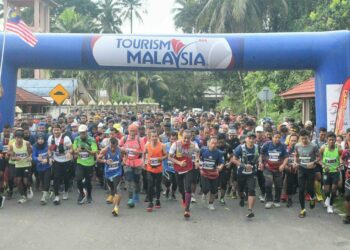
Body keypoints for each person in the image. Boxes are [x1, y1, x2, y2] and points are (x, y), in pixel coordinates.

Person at [169, 130, 199, 218]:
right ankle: (184, 197)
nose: (186, 140)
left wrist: (197, 161)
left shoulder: (193, 144)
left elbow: (198, 152)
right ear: (181, 136)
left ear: (191, 138)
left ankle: (187, 209)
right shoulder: (176, 144)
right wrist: (179, 162)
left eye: (188, 138)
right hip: (178, 169)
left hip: (189, 168)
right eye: (185, 138)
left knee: (188, 188)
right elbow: (169, 157)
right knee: (181, 189)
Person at [232, 132, 259, 218]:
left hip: (252, 172)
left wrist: (261, 163)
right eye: (249, 138)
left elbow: (260, 156)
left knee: (251, 190)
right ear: (246, 139)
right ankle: (242, 197)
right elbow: (234, 160)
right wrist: (244, 165)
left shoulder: (257, 147)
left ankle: (250, 210)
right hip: (241, 172)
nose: (251, 140)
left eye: (253, 138)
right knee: (240, 189)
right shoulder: (240, 148)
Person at [295, 129, 320, 218]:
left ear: (309, 137)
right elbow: (296, 155)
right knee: (301, 190)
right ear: (300, 138)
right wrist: (295, 162)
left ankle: (312, 198)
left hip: (310, 169)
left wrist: (313, 162)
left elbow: (318, 157)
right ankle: (302, 210)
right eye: (302, 139)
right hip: (301, 169)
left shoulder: (314, 146)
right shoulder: (297, 145)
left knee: (310, 189)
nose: (304, 140)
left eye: (305, 138)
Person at [119, 124, 145, 208]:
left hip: (137, 162)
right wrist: (123, 150)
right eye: (131, 131)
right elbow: (119, 147)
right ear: (128, 131)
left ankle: (136, 193)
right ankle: (130, 198)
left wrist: (138, 153)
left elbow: (144, 151)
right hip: (127, 162)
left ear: (136, 131)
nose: (132, 133)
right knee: (128, 179)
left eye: (134, 131)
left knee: (137, 180)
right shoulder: (124, 138)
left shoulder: (139, 139)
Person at [260, 132, 288, 208]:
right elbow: (261, 154)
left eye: (279, 137)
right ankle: (269, 200)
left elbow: (286, 157)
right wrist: (261, 163)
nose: (277, 139)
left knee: (278, 185)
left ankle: (276, 200)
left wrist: (283, 165)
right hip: (268, 167)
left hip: (278, 168)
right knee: (268, 183)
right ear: (272, 138)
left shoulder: (283, 146)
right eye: (276, 137)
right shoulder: (267, 145)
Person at [48, 124, 72, 205]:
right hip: (56, 160)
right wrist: (50, 157)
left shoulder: (66, 138)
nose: (56, 131)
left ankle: (65, 191)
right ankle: (56, 196)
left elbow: (71, 148)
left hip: (65, 160)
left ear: (60, 130)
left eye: (58, 130)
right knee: (56, 177)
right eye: (54, 130)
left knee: (66, 177)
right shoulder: (50, 138)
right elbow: (49, 149)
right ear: (52, 131)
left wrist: (69, 152)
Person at [98, 137, 123, 216]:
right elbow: (98, 159)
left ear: (117, 145)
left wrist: (125, 161)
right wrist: (105, 161)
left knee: (117, 190)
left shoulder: (121, 150)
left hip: (117, 173)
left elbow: (126, 155)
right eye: (111, 146)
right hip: (108, 173)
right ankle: (111, 195)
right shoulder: (105, 150)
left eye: (114, 147)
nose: (112, 148)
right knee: (112, 188)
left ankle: (115, 208)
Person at [73, 124, 98, 204]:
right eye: (80, 133)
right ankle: (81, 193)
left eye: (83, 133)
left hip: (89, 163)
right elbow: (73, 150)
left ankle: (89, 195)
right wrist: (77, 151)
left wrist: (88, 151)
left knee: (88, 181)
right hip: (80, 162)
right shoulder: (77, 139)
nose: (82, 134)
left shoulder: (91, 139)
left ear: (86, 132)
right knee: (78, 178)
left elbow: (95, 151)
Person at [319, 132, 342, 214]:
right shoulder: (323, 148)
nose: (331, 141)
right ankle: (328, 198)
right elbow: (319, 159)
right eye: (330, 140)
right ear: (327, 140)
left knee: (334, 190)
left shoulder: (338, 148)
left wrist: (340, 165)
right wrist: (324, 166)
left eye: (333, 140)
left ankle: (330, 206)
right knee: (326, 191)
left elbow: (341, 158)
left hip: (335, 172)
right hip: (326, 172)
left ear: (335, 140)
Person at [144, 130, 167, 212]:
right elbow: (144, 153)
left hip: (159, 169)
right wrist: (144, 162)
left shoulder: (162, 145)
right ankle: (150, 202)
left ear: (158, 137)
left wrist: (161, 158)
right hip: (150, 169)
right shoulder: (147, 145)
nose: (154, 138)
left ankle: (157, 199)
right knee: (150, 185)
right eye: (152, 136)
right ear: (150, 137)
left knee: (157, 185)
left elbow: (166, 155)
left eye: (155, 136)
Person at [8, 128, 32, 204]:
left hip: (26, 164)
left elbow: (31, 153)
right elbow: (11, 158)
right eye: (17, 137)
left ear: (22, 138)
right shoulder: (12, 146)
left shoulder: (27, 143)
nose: (19, 139)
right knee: (18, 181)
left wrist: (30, 157)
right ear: (15, 138)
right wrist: (15, 158)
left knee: (25, 181)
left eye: (20, 138)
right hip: (18, 165)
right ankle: (23, 196)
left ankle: (28, 188)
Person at [199, 136, 224, 210]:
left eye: (215, 143)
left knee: (214, 190)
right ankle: (204, 193)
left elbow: (222, 162)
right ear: (208, 143)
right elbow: (198, 158)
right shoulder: (203, 150)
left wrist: (220, 167)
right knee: (206, 188)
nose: (214, 145)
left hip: (214, 174)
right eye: (212, 143)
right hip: (204, 173)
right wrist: (199, 166)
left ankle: (211, 204)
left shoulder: (219, 153)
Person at [32, 133, 51, 205]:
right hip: (39, 167)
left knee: (47, 180)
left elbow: (50, 153)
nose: (40, 140)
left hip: (47, 166)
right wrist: (37, 158)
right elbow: (33, 156)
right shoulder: (34, 146)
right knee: (42, 181)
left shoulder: (47, 145)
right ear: (36, 140)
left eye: (42, 139)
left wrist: (47, 159)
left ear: (44, 140)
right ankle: (47, 192)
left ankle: (44, 198)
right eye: (39, 139)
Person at [285, 134, 299, 207]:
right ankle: (289, 198)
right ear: (289, 141)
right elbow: (282, 159)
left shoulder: (300, 148)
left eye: (295, 141)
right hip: (288, 167)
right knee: (289, 180)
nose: (293, 142)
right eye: (292, 141)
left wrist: (298, 165)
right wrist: (287, 166)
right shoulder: (285, 149)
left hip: (299, 168)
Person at [163, 132, 177, 200]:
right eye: (172, 139)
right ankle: (168, 189)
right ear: (169, 139)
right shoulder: (165, 145)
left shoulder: (179, 146)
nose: (173, 141)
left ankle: (173, 193)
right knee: (168, 181)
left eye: (174, 139)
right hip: (167, 168)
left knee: (175, 183)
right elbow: (161, 155)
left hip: (176, 168)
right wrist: (166, 155)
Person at [341, 142, 350, 224]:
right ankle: (348, 215)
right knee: (347, 196)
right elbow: (342, 159)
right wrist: (344, 164)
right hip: (348, 178)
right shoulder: (346, 152)